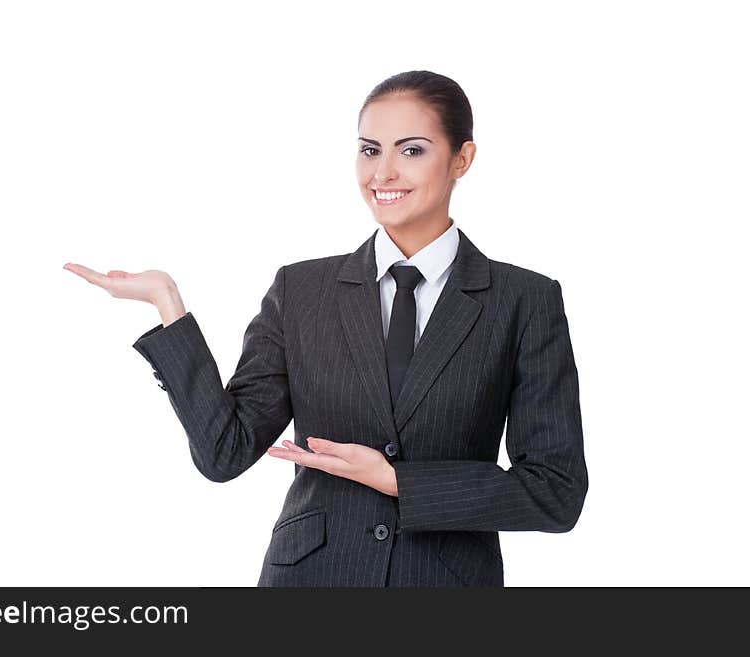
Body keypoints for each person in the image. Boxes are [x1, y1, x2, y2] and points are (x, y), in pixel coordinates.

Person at [63, 70, 589, 587]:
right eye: (369, 150)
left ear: (462, 159)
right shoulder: (302, 291)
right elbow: (225, 452)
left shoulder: (524, 300)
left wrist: (398, 482)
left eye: (411, 150)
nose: (382, 173)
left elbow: (555, 492)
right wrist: (168, 305)